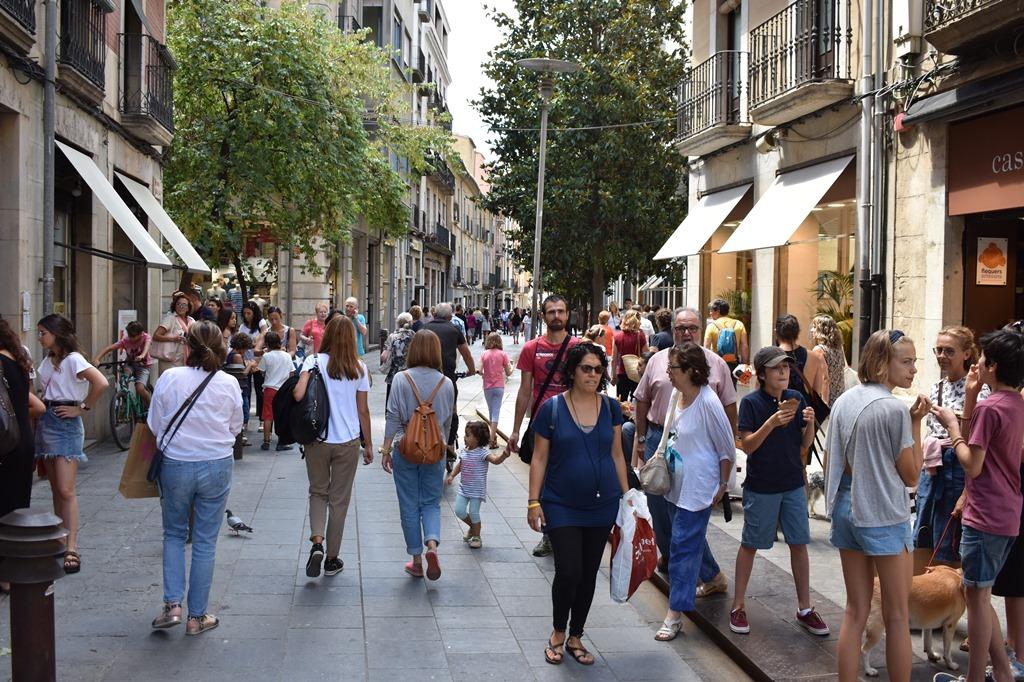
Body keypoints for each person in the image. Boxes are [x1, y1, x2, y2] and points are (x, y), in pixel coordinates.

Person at [825, 329, 930, 682]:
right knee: (897, 614)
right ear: (883, 364)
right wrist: (916, 423)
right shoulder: (894, 409)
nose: (913, 369)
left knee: (855, 611)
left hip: (846, 507)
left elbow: (830, 461)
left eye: (914, 361)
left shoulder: (844, 400)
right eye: (906, 361)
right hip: (883, 512)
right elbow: (912, 474)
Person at [527, 343, 630, 666]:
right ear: (572, 370)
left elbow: (617, 454)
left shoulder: (611, 408)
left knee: (587, 573)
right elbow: (539, 457)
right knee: (569, 569)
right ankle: (558, 630)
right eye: (587, 368)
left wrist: (628, 498)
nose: (593, 374)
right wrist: (533, 502)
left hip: (602, 504)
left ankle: (576, 636)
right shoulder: (552, 409)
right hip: (560, 503)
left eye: (599, 369)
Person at [931, 329, 1024, 682]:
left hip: (985, 514)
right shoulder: (1016, 403)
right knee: (977, 594)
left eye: (983, 359)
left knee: (977, 596)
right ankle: (1002, 671)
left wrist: (953, 426)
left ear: (994, 366)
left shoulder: (992, 406)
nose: (978, 363)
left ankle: (975, 678)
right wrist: (970, 399)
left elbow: (972, 462)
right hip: (1006, 511)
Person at [630, 306, 737, 589]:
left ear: (702, 330)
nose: (687, 333)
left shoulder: (716, 365)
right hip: (659, 440)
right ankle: (671, 554)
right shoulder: (657, 361)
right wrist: (641, 440)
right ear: (672, 330)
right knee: (659, 507)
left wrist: (727, 455)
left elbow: (729, 409)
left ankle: (711, 576)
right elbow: (642, 399)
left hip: (697, 449)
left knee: (684, 515)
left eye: (692, 328)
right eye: (680, 328)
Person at [148, 321, 242, 635]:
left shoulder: (169, 377)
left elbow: (155, 424)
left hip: (176, 463)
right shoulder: (228, 382)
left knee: (174, 534)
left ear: (186, 347)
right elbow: (236, 426)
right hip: (216, 464)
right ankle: (197, 616)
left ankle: (173, 604)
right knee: (204, 541)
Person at [728, 347, 829, 637]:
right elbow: (747, 446)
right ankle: (738, 605)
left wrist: (809, 424)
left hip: (793, 483)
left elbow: (803, 445)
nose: (784, 372)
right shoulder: (751, 404)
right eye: (776, 368)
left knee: (799, 543)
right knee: (751, 543)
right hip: (762, 485)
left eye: (786, 368)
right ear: (762, 374)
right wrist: (772, 422)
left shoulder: (795, 399)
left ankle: (805, 608)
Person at [654, 344, 735, 642]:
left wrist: (724, 485)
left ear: (690, 371)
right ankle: (714, 577)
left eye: (672, 369)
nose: (668, 374)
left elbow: (727, 448)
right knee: (688, 538)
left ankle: (675, 613)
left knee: (682, 548)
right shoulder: (678, 395)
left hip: (699, 486)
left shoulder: (709, 403)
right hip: (676, 482)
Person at [293, 316, 373, 578]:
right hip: (347, 442)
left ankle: (317, 541)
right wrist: (368, 444)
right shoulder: (359, 368)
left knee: (318, 492)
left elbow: (298, 395)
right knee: (339, 500)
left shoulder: (313, 361)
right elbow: (363, 411)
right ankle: (331, 558)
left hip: (317, 439)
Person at [507, 295, 581, 557]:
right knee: (547, 481)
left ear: (568, 314)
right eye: (551, 312)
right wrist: (516, 429)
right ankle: (550, 534)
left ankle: (569, 529)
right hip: (543, 425)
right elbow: (524, 391)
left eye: (561, 311)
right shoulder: (531, 349)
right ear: (543, 316)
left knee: (572, 478)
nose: (557, 316)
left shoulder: (578, 347)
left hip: (574, 424)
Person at [35, 314, 108, 575]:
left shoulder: (74, 359)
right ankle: (60, 539)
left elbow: (101, 382)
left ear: (57, 333)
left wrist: (83, 408)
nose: (40, 337)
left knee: (66, 490)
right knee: (56, 489)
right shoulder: (48, 360)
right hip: (47, 419)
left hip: (65, 422)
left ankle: (71, 547)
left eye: (43, 332)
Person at [379, 330, 455, 580]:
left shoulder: (401, 379)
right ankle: (431, 544)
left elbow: (392, 416)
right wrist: (444, 447)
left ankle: (416, 560)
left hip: (406, 448)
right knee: (431, 502)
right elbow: (446, 423)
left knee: (409, 504)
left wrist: (387, 448)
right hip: (435, 451)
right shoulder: (446, 383)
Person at [913, 325, 982, 566]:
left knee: (950, 539)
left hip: (957, 468)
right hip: (933, 470)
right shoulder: (937, 387)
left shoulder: (977, 390)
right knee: (924, 530)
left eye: (949, 351)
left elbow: (976, 439)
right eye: (939, 350)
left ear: (966, 354)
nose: (942, 356)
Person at [0, 319, 45, 520]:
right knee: (16, 511)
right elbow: (35, 406)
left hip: (5, 444)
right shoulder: (16, 359)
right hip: (22, 441)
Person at [445, 420, 510, 548]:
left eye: (468, 435)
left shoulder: (483, 453)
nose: (464, 437)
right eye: (465, 434)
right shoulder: (465, 450)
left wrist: (504, 455)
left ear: (478, 439)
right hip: (464, 489)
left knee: (474, 513)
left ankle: (476, 536)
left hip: (476, 491)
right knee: (459, 511)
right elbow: (460, 465)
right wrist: (452, 475)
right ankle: (473, 527)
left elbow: (495, 461)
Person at [424, 303, 476, 447]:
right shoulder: (454, 330)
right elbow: (466, 353)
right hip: (447, 377)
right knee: (452, 410)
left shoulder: (425, 328)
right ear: (449, 316)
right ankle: (450, 444)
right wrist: (471, 370)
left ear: (434, 314)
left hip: (425, 376)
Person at [93, 321, 153, 405]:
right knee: (124, 377)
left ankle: (152, 405)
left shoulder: (146, 337)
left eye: (133, 336)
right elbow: (109, 348)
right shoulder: (125, 341)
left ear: (141, 334)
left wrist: (142, 355)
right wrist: (97, 359)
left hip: (144, 366)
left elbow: (146, 347)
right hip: (130, 364)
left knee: (140, 388)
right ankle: (126, 401)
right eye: (129, 335)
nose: (131, 338)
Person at [775, 314, 826, 403]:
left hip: (777, 413)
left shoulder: (769, 357)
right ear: (797, 332)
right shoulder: (815, 357)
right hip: (805, 413)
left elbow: (760, 390)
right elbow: (817, 392)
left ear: (776, 332)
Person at [257, 331, 294, 451]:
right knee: (282, 415)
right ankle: (282, 441)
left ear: (267, 344)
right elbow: (291, 373)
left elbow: (261, 370)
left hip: (269, 389)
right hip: (283, 389)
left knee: (268, 416)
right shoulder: (287, 356)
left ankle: (266, 441)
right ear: (279, 342)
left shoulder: (267, 356)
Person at [704, 298, 749, 385]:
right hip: (733, 363)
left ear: (717, 311)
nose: (710, 313)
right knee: (732, 389)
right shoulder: (739, 324)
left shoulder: (711, 326)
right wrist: (744, 364)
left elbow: (706, 348)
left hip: (716, 364)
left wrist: (706, 367)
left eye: (711, 310)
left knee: (717, 389)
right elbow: (744, 346)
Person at [480, 332, 512, 449]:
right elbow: (508, 372)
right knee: (496, 412)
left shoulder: (484, 354)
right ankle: (492, 440)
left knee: (491, 411)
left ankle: (492, 437)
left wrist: (486, 375)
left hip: (487, 387)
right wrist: (512, 367)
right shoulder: (503, 354)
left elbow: (480, 371)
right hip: (499, 386)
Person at [225, 332, 257, 443]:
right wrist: (250, 365)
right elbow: (242, 373)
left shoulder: (233, 354)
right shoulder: (237, 356)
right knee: (244, 412)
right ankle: (239, 436)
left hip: (240, 386)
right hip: (241, 386)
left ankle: (240, 436)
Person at [153, 292, 195, 373]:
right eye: (178, 304)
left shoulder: (192, 321)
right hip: (170, 359)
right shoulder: (170, 319)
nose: (181, 306)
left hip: (186, 358)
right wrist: (173, 339)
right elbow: (156, 335)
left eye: (184, 304)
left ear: (188, 308)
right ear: (174, 306)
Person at [612, 310, 648, 401]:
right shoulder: (640, 336)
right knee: (636, 402)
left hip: (622, 373)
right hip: (637, 373)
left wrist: (614, 376)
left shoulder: (618, 336)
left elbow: (614, 359)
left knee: (621, 402)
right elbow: (646, 355)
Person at [381, 312, 416, 407]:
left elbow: (383, 357)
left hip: (394, 374)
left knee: (391, 402)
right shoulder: (415, 336)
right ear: (410, 323)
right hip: (411, 374)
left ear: (398, 323)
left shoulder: (392, 336)